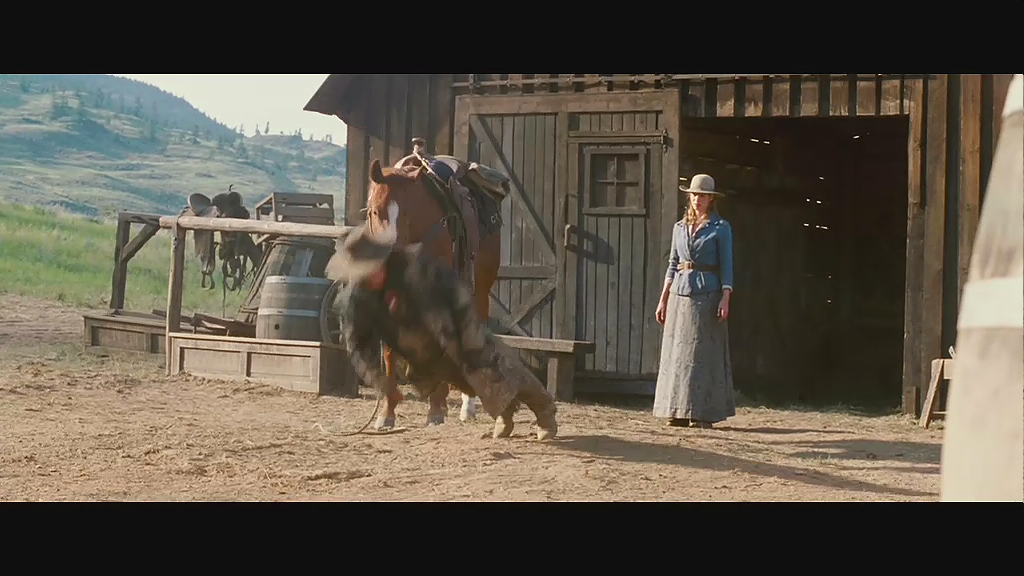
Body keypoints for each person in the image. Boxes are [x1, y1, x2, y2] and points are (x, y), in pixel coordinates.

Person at [326, 202, 559, 441]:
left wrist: (466, 341)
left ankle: (544, 411)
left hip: (454, 323)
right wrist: (384, 386)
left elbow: (452, 298)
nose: (371, 275)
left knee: (495, 366)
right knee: (468, 382)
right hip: (423, 351)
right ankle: (505, 413)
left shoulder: (415, 268)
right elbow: (358, 347)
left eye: (374, 267)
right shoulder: (355, 299)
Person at [652, 174, 736, 429]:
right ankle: (676, 411)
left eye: (703, 195)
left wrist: (725, 298)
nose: (698, 199)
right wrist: (663, 299)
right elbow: (672, 264)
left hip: (707, 295)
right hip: (680, 294)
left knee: (702, 355)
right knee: (678, 354)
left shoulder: (720, 228)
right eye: (694, 195)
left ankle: (702, 413)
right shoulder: (679, 227)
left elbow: (727, 266)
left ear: (711, 199)